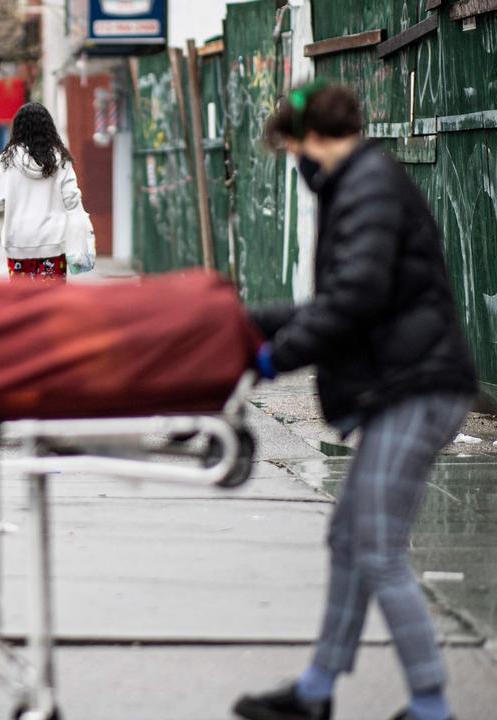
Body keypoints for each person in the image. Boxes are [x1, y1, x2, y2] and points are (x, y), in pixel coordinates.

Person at [233, 81, 477, 720]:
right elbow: (340, 299)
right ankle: (316, 691)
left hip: (419, 391)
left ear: (313, 139)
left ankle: (431, 704)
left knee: (377, 547)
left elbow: (355, 298)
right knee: (351, 539)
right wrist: (254, 324)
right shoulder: (363, 183)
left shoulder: (368, 186)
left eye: (293, 150)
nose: (298, 164)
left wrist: (272, 356)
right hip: (407, 386)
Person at [0, 102, 85, 281]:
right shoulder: (60, 159)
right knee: (51, 300)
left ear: (18, 128)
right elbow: (71, 199)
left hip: (18, 243)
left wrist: (15, 199)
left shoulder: (6, 161)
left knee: (23, 300)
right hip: (53, 242)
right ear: (49, 127)